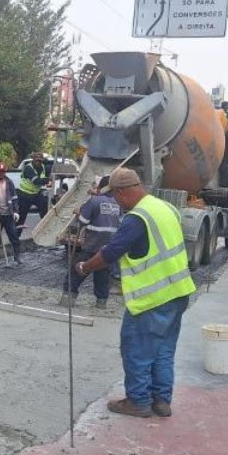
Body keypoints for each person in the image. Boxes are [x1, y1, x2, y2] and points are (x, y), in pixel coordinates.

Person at [76, 167, 196, 418]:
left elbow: (110, 253)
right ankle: (161, 401)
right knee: (163, 349)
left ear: (122, 192)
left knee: (136, 349)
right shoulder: (165, 208)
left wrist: (84, 267)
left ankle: (138, 401)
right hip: (179, 292)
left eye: (116, 197)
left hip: (151, 298)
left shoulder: (137, 218)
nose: (116, 203)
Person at [61, 175, 120, 309]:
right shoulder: (118, 203)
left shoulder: (94, 201)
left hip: (93, 245)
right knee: (102, 276)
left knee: (76, 271)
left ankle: (67, 300)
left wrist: (78, 213)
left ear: (103, 187)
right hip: (108, 247)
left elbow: (83, 221)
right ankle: (101, 303)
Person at [0, 162, 21, 264]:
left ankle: (17, 256)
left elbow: (14, 197)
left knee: (13, 235)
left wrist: (15, 211)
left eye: (3, 172)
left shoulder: (9, 182)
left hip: (8, 214)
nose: (1, 174)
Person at [16, 151, 50, 228]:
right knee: (21, 217)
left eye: (40, 160)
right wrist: (48, 180)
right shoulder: (28, 168)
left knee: (45, 207)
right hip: (24, 194)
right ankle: (15, 237)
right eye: (37, 160)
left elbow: (51, 172)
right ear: (33, 160)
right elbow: (36, 181)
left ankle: (45, 228)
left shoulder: (43, 167)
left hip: (36, 193)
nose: (38, 162)